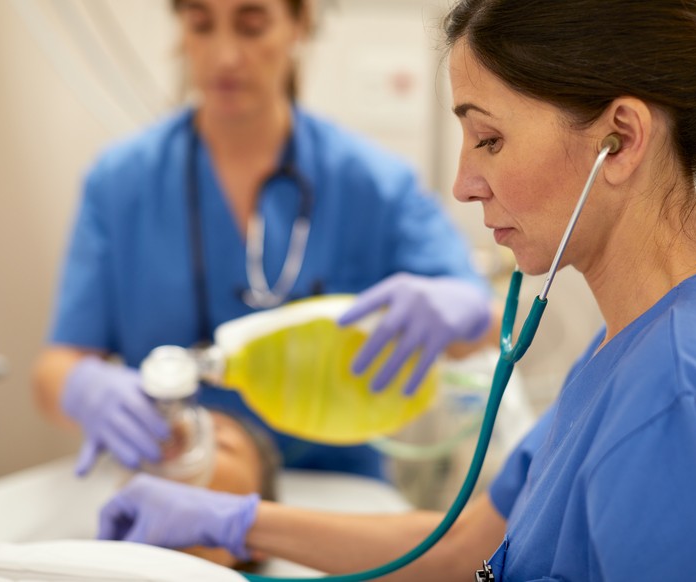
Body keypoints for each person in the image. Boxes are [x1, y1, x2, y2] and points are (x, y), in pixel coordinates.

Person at [97, 0, 696, 579]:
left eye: (490, 140)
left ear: (619, 140)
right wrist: (229, 520)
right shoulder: (628, 347)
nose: (463, 185)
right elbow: (460, 548)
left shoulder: (681, 398)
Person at [32, 0, 494, 489]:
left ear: (300, 24)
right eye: (201, 24)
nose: (225, 55)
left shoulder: (371, 184)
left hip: (333, 491)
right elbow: (56, 366)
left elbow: (482, 328)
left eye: (252, 26)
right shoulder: (121, 183)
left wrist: (465, 311)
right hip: (175, 477)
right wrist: (84, 388)